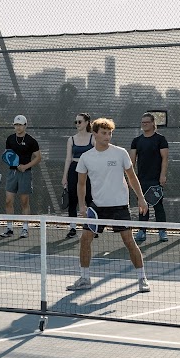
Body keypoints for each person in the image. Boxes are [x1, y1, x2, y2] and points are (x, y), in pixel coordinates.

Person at [67, 117, 150, 293]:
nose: (107, 136)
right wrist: (82, 205)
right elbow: (80, 184)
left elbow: (132, 177)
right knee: (85, 240)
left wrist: (141, 198)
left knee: (129, 241)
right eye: (104, 133)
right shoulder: (86, 157)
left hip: (119, 206)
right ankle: (84, 278)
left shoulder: (120, 153)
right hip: (97, 207)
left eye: (110, 133)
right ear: (95, 134)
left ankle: (142, 279)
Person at [0, 115, 41, 239]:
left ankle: (25, 229)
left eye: (20, 125)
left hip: (25, 174)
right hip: (12, 173)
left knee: (24, 202)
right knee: (8, 201)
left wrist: (25, 166)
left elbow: (38, 157)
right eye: (16, 125)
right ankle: (9, 229)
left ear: (25, 125)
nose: (18, 127)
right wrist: (11, 161)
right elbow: (8, 155)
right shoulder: (10, 139)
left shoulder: (31, 140)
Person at [131, 112, 169, 243]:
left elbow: (165, 159)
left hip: (155, 180)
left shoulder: (160, 139)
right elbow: (132, 162)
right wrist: (131, 178)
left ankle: (162, 231)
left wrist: (162, 175)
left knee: (158, 206)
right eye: (142, 122)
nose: (144, 124)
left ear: (153, 123)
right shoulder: (136, 141)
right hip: (141, 180)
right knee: (143, 205)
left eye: (147, 122)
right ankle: (142, 231)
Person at [61, 113, 94, 239]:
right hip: (74, 169)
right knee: (73, 198)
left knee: (90, 198)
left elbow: (97, 154)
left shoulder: (93, 138)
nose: (77, 124)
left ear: (87, 122)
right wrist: (64, 176)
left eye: (80, 122)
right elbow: (68, 158)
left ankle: (91, 227)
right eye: (76, 122)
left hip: (89, 170)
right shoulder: (71, 139)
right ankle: (73, 228)